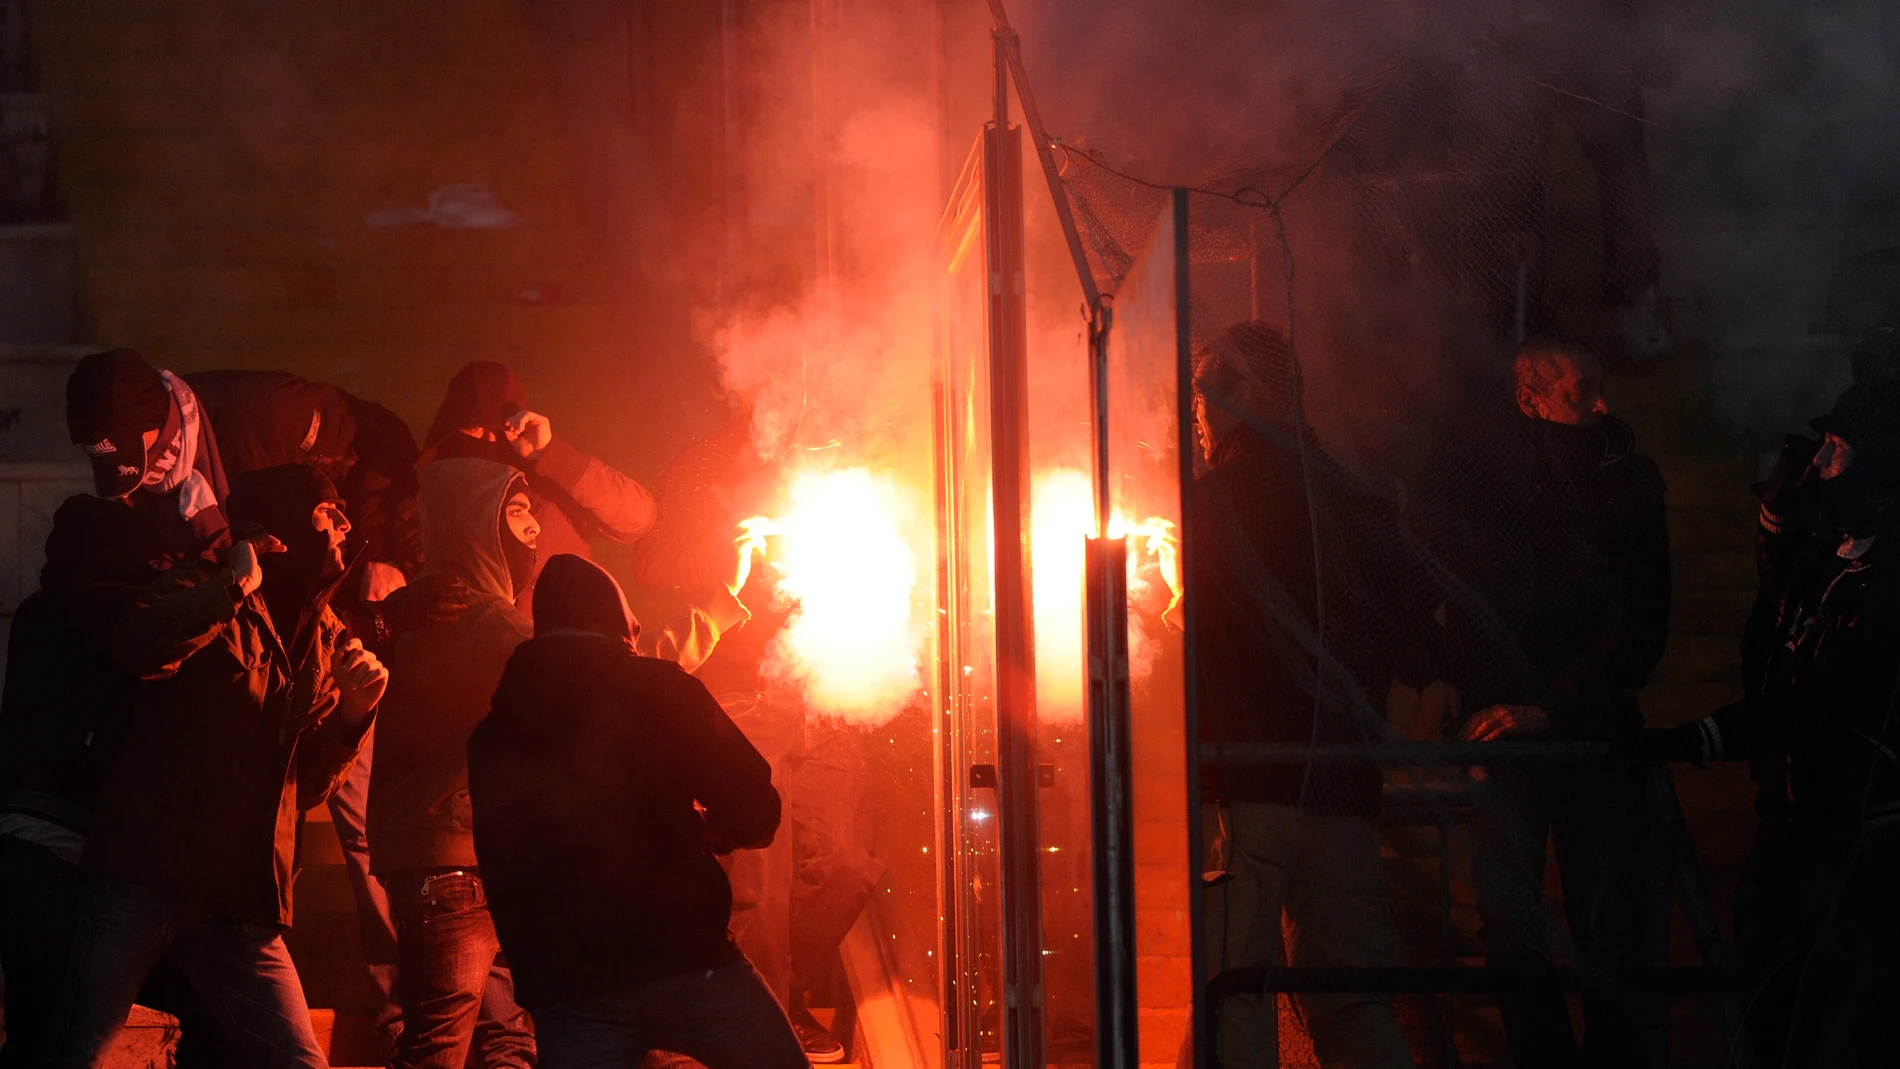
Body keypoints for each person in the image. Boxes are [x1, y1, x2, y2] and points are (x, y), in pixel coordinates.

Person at [34, 465, 387, 1069]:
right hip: (145, 875)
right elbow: (137, 644)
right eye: (328, 511)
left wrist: (354, 718)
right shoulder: (209, 581)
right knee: (75, 1049)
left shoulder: (325, 633)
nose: (345, 524)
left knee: (298, 1060)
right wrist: (232, 585)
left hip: (239, 902)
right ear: (282, 526)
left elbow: (300, 789)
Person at [187, 367, 459, 1058]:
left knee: (352, 820)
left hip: (311, 644)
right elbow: (293, 554)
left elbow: (329, 584)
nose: (345, 526)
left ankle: (398, 1011)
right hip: (258, 643)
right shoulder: (301, 429)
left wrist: (373, 616)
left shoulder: (343, 487)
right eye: (335, 514)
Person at [1186, 321, 1418, 1069]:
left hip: (1247, 782)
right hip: (1343, 783)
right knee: (1352, 998)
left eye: (1206, 392)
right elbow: (1403, 625)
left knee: (1235, 992)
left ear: (1237, 393)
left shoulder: (1212, 503)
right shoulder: (1352, 499)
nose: (1197, 412)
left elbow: (1200, 645)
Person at [467, 554, 802, 1069]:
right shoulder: (662, 688)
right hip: (686, 962)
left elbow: (500, 866)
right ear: (619, 620)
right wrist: (719, 831)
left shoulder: (492, 734)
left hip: (569, 989)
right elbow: (755, 804)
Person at [1649, 379, 1900, 1066]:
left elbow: (1817, 701)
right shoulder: (1829, 561)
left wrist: (1705, 735)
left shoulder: (1888, 581)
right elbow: (1768, 649)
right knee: (1771, 1002)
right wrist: (1777, 531)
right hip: (1795, 826)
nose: (1819, 463)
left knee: (1844, 1028)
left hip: (1863, 846)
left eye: (1837, 450)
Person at [627, 414, 876, 1064]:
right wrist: (725, 556)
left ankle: (777, 987)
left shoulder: (854, 443)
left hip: (827, 687)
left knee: (847, 863)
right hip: (742, 692)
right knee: (760, 878)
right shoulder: (706, 462)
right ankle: (766, 1016)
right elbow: (651, 558)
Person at [1455, 337, 1669, 1069]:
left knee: (1607, 926)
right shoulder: (1492, 484)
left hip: (1589, 735)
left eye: (1597, 387)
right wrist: (1456, 686)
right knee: (1512, 925)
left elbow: (1642, 618)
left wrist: (1554, 703)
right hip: (1514, 735)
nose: (1601, 404)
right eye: (1581, 392)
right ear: (1532, 399)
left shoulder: (1626, 481)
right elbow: (1468, 598)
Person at [369, 458, 542, 1069]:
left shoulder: (405, 618)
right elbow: (594, 685)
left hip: (433, 863)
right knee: (445, 1050)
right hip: (464, 869)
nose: (535, 529)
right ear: (478, 525)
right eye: (516, 512)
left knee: (505, 1038)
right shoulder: (498, 627)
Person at [418, 361, 656, 602]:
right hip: (489, 636)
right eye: (476, 429)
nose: (489, 439)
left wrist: (552, 454)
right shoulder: (433, 502)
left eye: (499, 430)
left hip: (561, 634)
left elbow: (638, 518)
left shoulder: (554, 480)